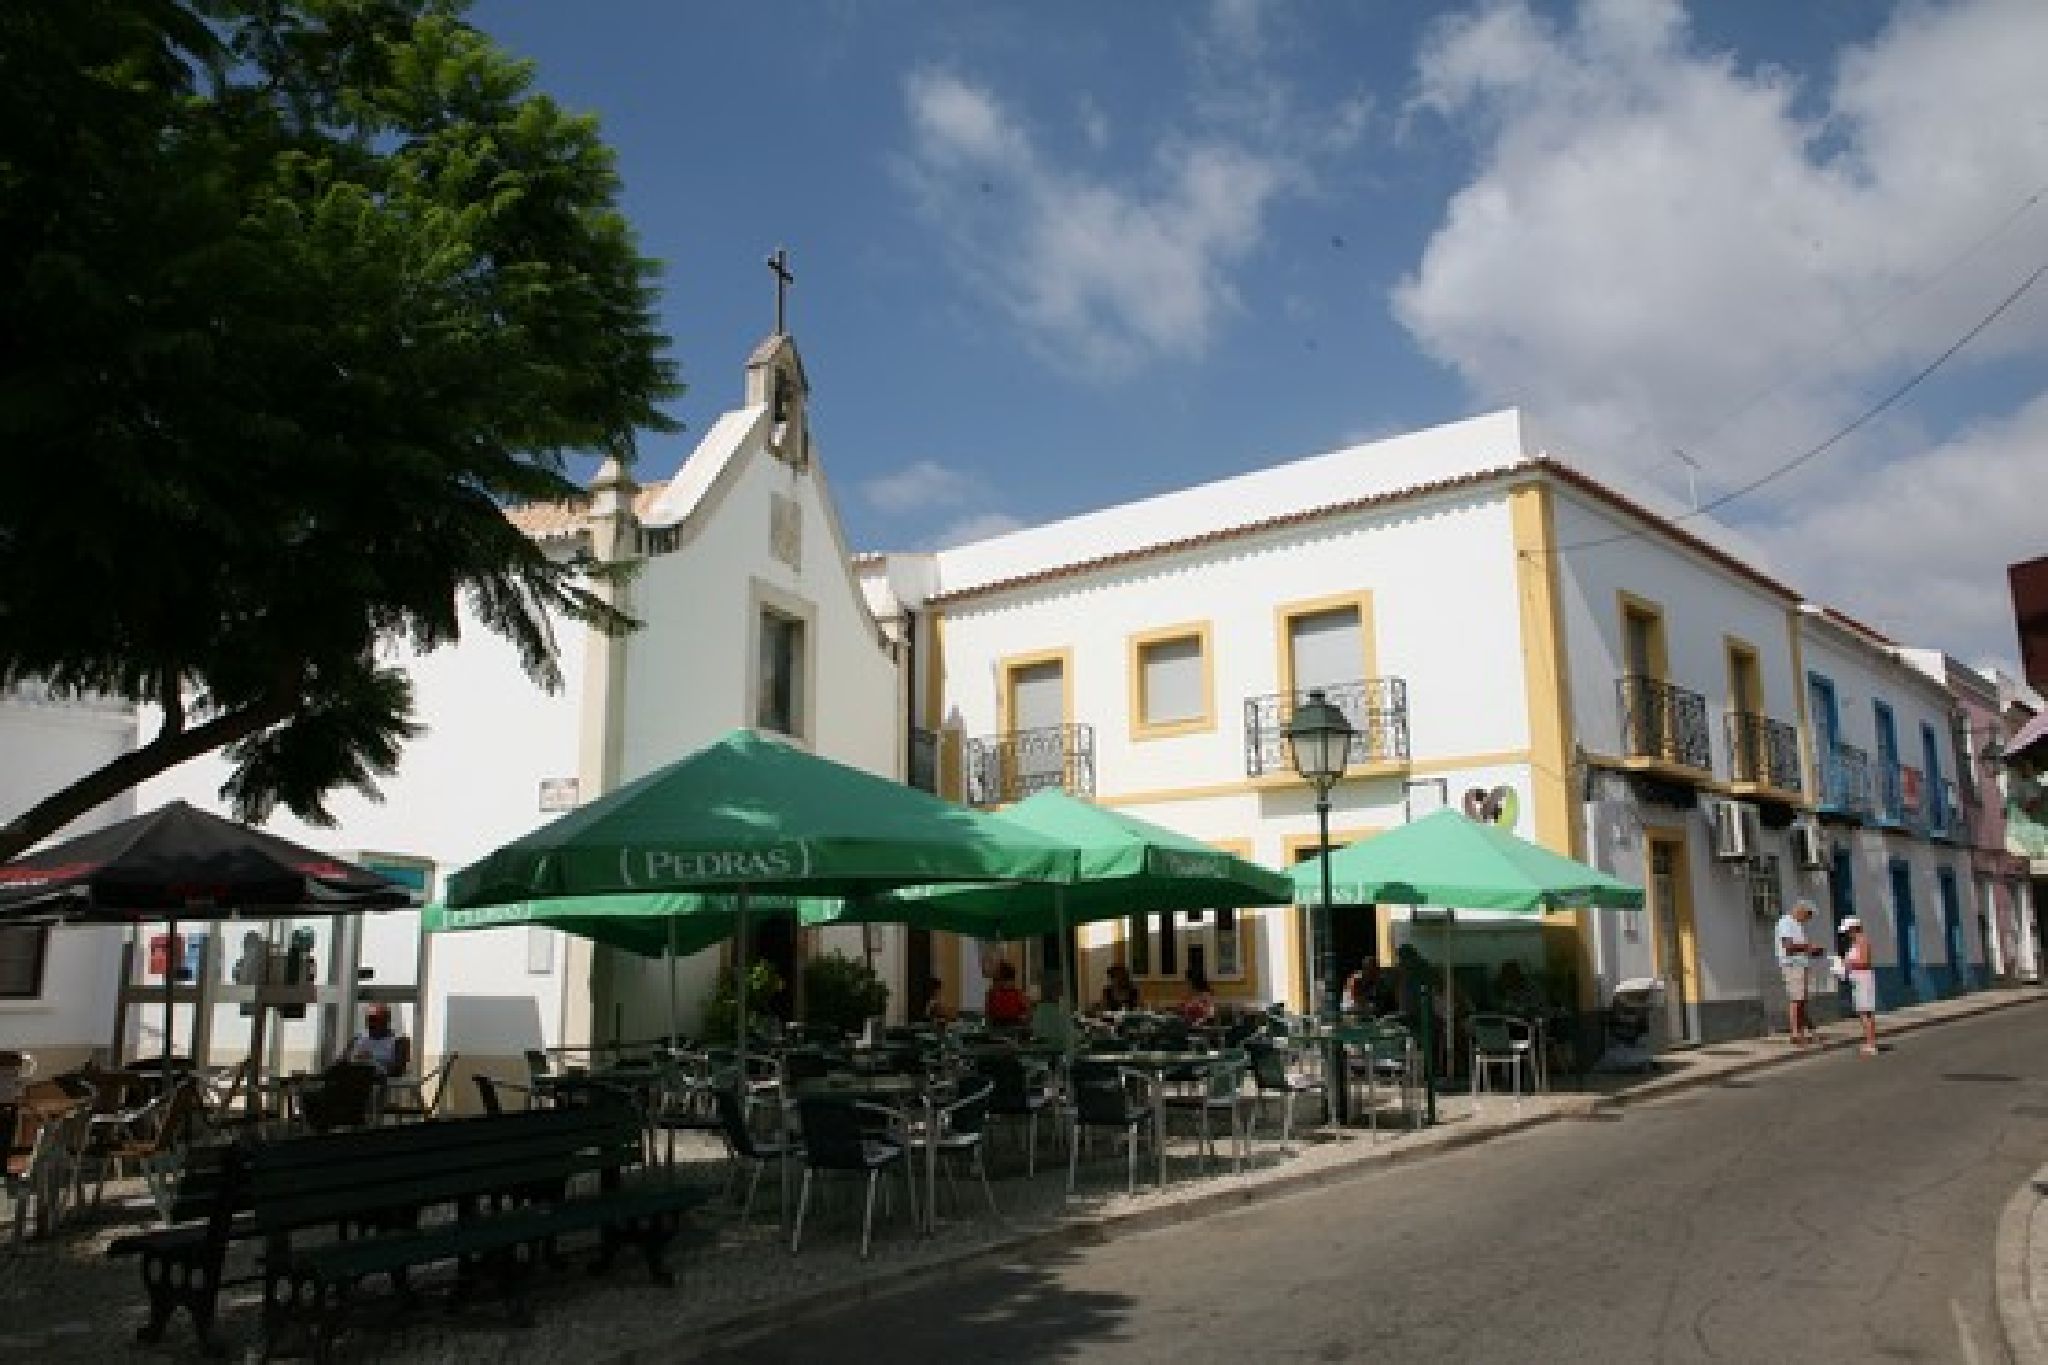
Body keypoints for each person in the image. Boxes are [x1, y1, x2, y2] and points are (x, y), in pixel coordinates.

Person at [1775, 899, 1827, 1045]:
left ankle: (1805, 1031)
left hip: (1800, 965)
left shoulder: (1797, 925)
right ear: (1801, 911)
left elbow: (1799, 948)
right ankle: (1795, 1034)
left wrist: (1812, 951)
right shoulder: (1786, 922)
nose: (1808, 919)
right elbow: (1788, 946)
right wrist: (1809, 947)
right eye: (1809, 915)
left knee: (1802, 1000)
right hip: (1792, 965)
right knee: (1796, 1000)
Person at [1840, 916, 1879, 1056]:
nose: (1847, 934)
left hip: (1863, 979)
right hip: (1858, 979)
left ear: (1854, 928)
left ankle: (1871, 1044)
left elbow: (1864, 961)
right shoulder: (1856, 942)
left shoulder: (1862, 941)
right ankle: (1869, 1042)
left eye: (1848, 931)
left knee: (1866, 1012)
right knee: (1863, 1012)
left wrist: (1847, 963)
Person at [344, 1003, 412, 1077]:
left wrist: (371, 1060)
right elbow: (344, 1061)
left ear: (386, 1021)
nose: (371, 1024)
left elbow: (398, 1070)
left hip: (382, 1079)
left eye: (375, 1019)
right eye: (369, 1019)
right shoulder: (357, 1038)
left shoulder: (397, 1041)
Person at [984, 961, 1030, 1027]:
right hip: (1012, 1027)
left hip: (1000, 1028)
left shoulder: (992, 994)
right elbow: (1026, 1014)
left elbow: (988, 1014)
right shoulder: (1018, 994)